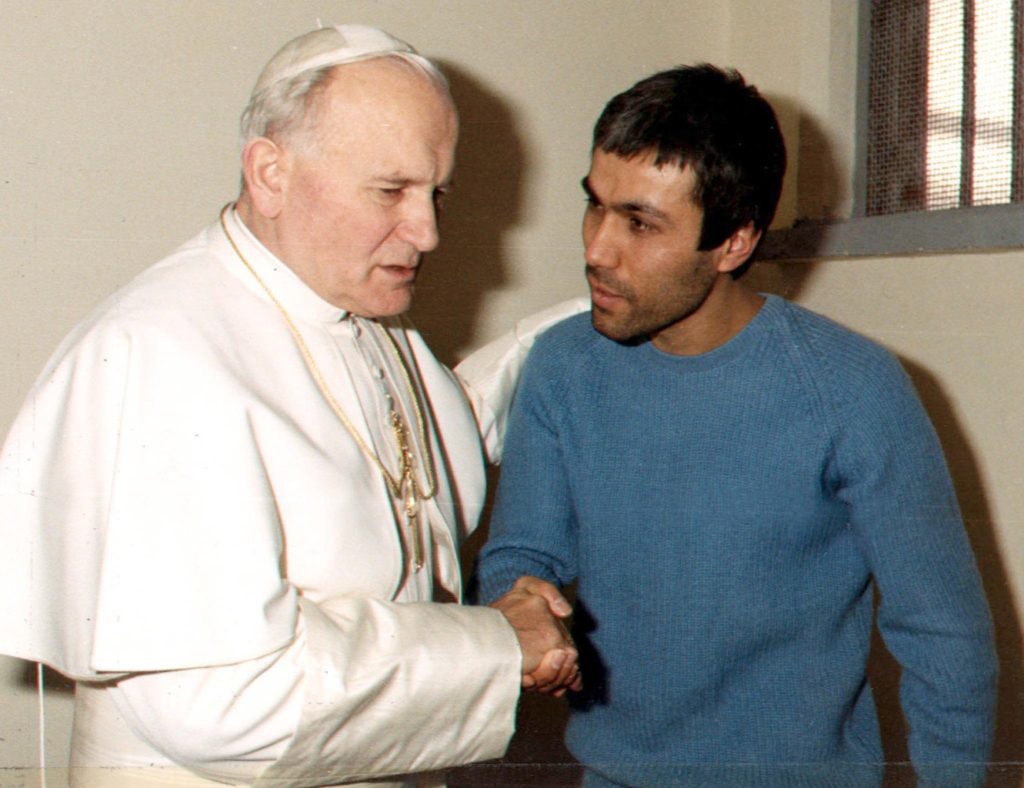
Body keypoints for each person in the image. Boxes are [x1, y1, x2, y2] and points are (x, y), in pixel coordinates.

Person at [0, 24, 583, 787]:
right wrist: (495, 646)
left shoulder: (351, 311)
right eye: (391, 191)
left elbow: (402, 464)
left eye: (435, 192)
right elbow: (224, 699)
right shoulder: (159, 356)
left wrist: (581, 327)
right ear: (270, 174)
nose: (429, 231)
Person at [472, 64, 998, 786]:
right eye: (595, 206)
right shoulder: (561, 368)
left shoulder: (852, 390)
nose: (597, 247)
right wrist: (522, 598)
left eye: (641, 223)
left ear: (733, 244)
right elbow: (520, 554)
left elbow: (946, 642)